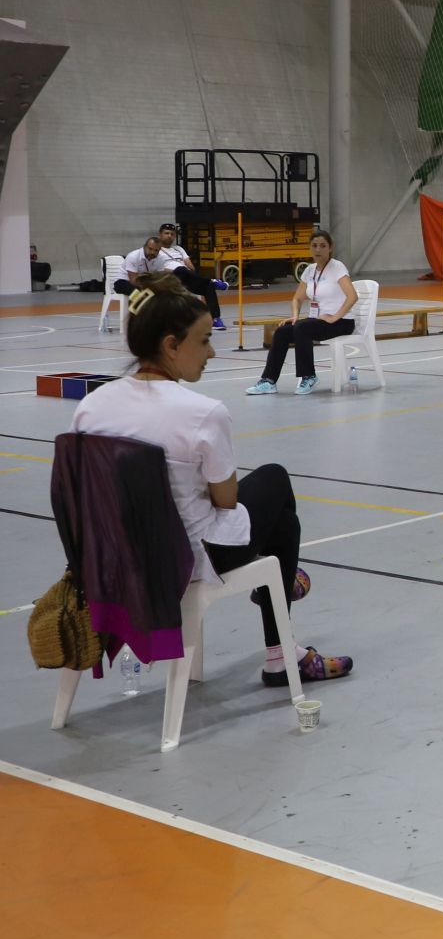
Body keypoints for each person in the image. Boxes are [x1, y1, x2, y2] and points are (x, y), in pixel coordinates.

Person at [72, 276, 352, 687]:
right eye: (203, 341)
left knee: (280, 523)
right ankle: (280, 638)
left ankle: (283, 601)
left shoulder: (91, 406)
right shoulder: (202, 412)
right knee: (276, 484)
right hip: (185, 559)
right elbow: (225, 500)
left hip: (114, 558)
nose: (212, 351)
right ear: (171, 345)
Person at [245, 230, 355, 396]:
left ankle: (309, 376)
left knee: (302, 328)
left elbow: (352, 296)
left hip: (341, 322)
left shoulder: (337, 267)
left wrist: (335, 317)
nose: (318, 250)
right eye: (314, 246)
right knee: (282, 331)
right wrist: (295, 315)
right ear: (310, 247)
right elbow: (297, 298)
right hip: (317, 321)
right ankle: (269, 381)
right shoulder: (309, 270)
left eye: (323, 246)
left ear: (330, 248)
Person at [154, 222, 225, 329]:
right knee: (181, 269)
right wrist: (175, 270)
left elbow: (191, 267)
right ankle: (212, 281)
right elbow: (157, 270)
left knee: (207, 286)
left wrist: (186, 270)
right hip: (170, 278)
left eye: (172, 234)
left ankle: (215, 318)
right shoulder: (156, 250)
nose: (169, 236)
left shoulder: (178, 249)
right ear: (160, 234)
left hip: (186, 277)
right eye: (166, 233)